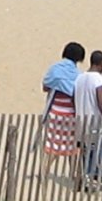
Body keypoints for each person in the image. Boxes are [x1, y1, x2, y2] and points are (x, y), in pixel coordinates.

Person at [74, 49, 102, 186]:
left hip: (81, 120)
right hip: (95, 122)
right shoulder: (99, 79)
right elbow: (101, 101)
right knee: (97, 152)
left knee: (85, 150)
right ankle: (96, 177)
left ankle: (86, 178)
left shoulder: (80, 78)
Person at [41, 42, 84, 171]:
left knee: (53, 144)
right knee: (73, 146)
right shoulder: (78, 74)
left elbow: (45, 86)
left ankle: (44, 171)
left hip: (55, 113)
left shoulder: (55, 69)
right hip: (71, 114)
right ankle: (74, 174)